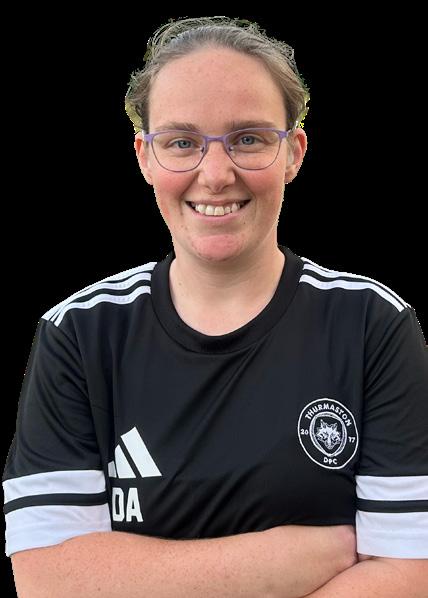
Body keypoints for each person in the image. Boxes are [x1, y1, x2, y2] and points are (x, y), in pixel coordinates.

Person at [4, 16, 427, 597]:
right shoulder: (79, 333)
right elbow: (48, 578)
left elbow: (410, 571)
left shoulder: (372, 325)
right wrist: (287, 557)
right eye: (182, 142)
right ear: (145, 157)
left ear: (294, 152)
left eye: (248, 139)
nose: (216, 174)